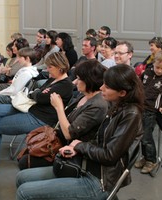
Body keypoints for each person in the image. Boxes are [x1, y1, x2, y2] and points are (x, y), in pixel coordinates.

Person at [16, 64, 144, 200]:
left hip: (99, 180)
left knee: (24, 192)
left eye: (106, 86)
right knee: (22, 177)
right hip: (88, 165)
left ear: (122, 93)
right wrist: (77, 148)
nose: (101, 88)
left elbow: (109, 155)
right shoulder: (116, 105)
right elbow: (100, 139)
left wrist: (80, 146)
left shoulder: (130, 114)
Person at [0, 52, 73, 172]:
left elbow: (40, 97)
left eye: (50, 67)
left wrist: (38, 94)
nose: (47, 70)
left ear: (60, 67)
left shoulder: (65, 85)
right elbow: (36, 92)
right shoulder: (53, 80)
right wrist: (38, 93)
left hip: (39, 119)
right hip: (29, 108)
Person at [18, 59, 108, 170]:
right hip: (60, 139)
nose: (75, 81)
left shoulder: (97, 105)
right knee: (27, 152)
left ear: (89, 81)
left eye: (79, 79)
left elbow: (69, 134)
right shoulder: (84, 96)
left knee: (25, 161)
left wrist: (59, 107)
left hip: (72, 150)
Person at [134, 50, 162, 174]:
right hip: (139, 108)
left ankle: (151, 160)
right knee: (140, 135)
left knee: (146, 137)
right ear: (154, 63)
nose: (160, 71)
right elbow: (138, 86)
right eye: (157, 67)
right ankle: (144, 157)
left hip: (151, 112)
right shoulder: (146, 73)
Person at [0, 47, 39, 114]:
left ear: (27, 58)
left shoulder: (26, 73)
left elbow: (14, 91)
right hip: (12, 94)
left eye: (19, 57)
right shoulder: (26, 70)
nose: (18, 59)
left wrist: (0, 93)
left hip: (13, 98)